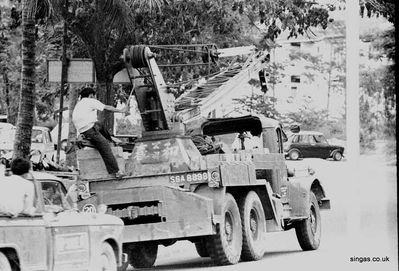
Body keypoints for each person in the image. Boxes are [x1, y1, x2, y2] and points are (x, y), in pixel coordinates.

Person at [72, 87, 128, 177]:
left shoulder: (79, 104)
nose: (95, 98)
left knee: (99, 124)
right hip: (90, 130)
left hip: (84, 129)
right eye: (94, 96)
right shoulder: (90, 101)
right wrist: (121, 110)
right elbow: (107, 108)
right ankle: (116, 172)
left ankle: (110, 138)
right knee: (105, 148)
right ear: (91, 95)